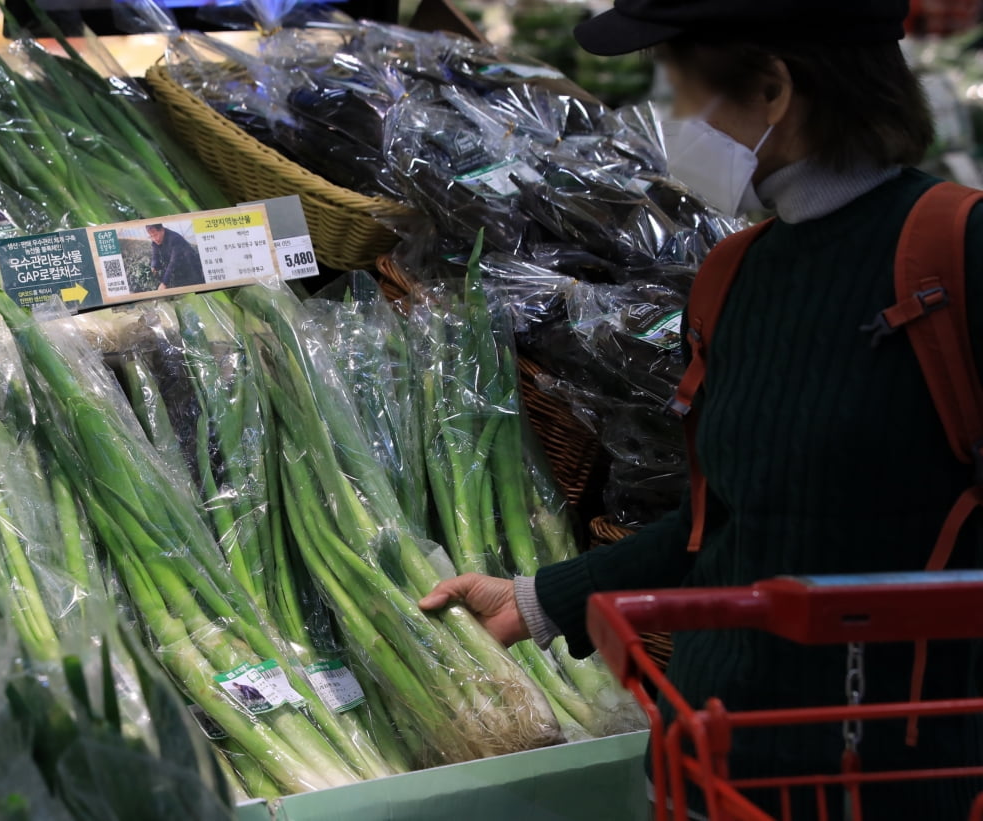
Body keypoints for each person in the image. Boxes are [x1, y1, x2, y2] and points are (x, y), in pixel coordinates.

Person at [419, 1, 983, 818]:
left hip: (906, 775)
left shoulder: (953, 256)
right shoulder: (734, 276)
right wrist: (541, 599)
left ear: (773, 90)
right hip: (715, 764)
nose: (672, 122)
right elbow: (722, 518)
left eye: (683, 96)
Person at [146, 223, 203, 290]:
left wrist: (164, 283)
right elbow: (155, 255)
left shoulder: (174, 238)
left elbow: (173, 262)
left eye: (155, 235)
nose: (154, 239)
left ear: (162, 230)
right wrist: (154, 265)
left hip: (190, 265)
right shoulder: (155, 240)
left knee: (196, 286)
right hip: (179, 268)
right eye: (151, 236)